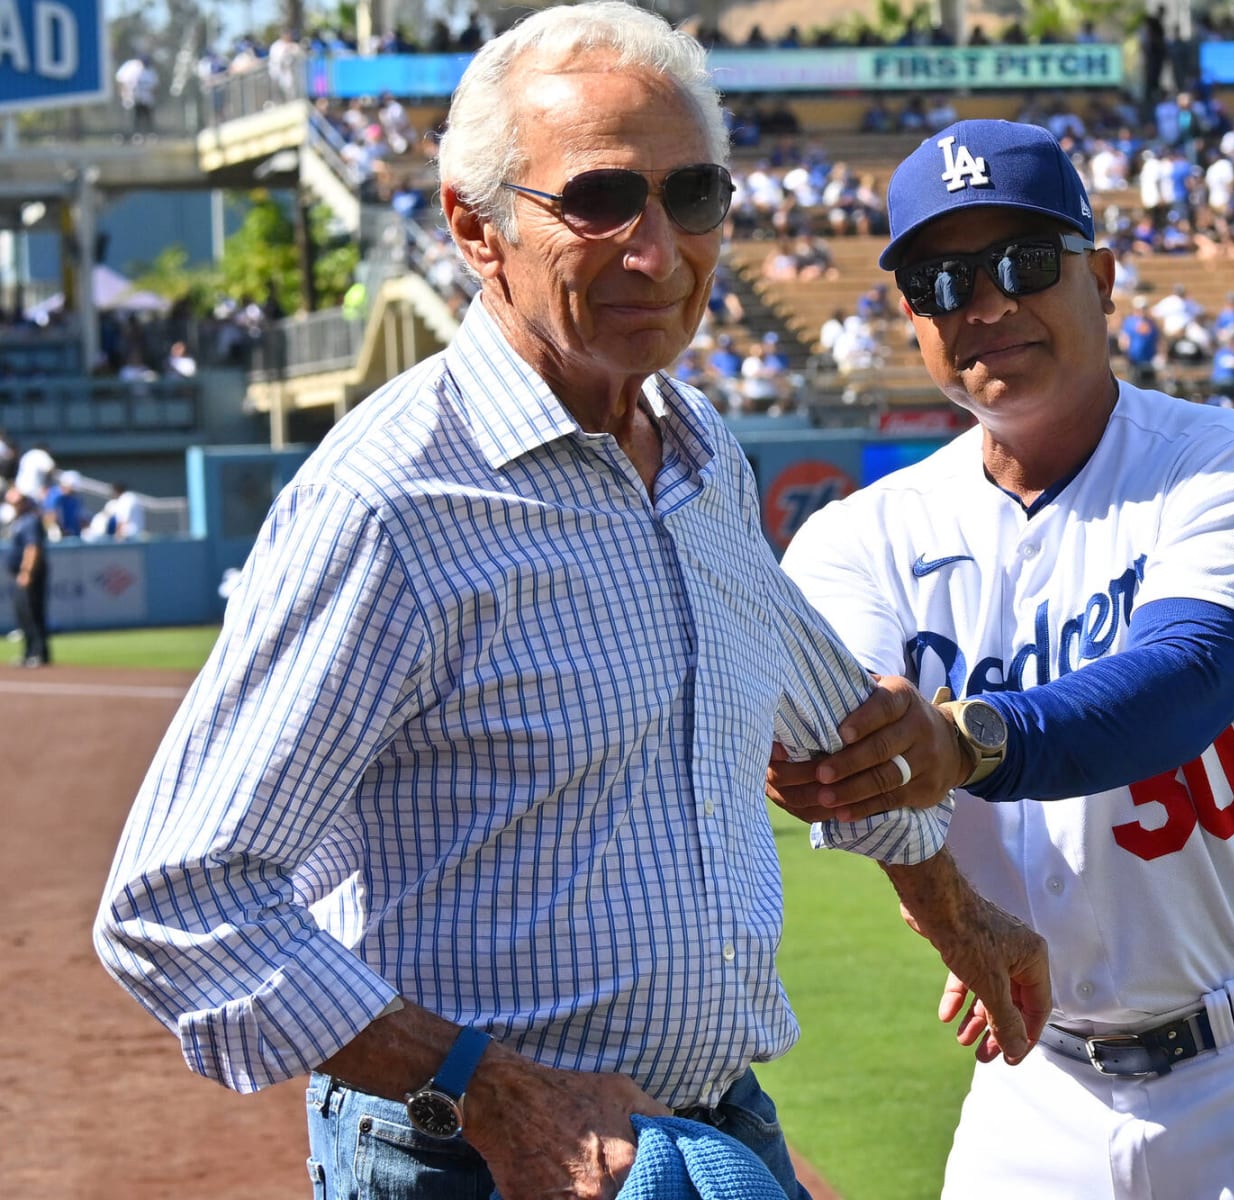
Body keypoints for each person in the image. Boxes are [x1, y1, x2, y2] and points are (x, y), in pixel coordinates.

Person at [92, 14, 1048, 1200]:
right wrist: (488, 1094)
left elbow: (842, 732)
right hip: (470, 1157)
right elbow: (175, 902)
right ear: (472, 228)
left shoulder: (696, 448)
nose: (656, 248)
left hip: (714, 1130)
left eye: (692, 194)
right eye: (598, 200)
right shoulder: (395, 500)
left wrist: (955, 910)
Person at [766, 120, 1234, 1200]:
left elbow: (1183, 679)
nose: (986, 302)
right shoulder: (855, 540)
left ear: (1101, 279)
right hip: (1038, 1078)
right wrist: (955, 916)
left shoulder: (1232, 468)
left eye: (1024, 263)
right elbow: (850, 763)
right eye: (941, 277)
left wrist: (961, 744)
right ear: (911, 316)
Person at [6, 485, 49, 667]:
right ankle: (29, 652)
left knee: (32, 614)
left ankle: (39, 653)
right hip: (19, 574)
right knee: (23, 614)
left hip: (30, 575)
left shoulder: (30, 520)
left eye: (18, 501)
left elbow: (32, 548)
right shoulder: (19, 521)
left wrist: (26, 572)